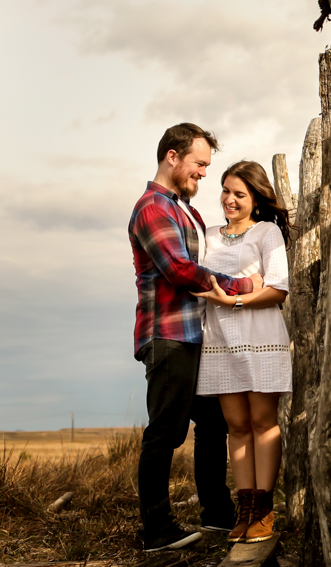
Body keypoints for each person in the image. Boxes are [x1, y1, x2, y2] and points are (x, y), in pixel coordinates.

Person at [128, 123, 263, 552]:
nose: (204, 174)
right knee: (166, 431)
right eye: (199, 164)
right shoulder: (152, 207)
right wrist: (244, 286)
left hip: (196, 335)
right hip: (167, 335)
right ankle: (157, 529)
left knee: (212, 422)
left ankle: (217, 514)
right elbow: (180, 271)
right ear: (173, 156)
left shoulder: (185, 209)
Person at [192, 160, 291, 544]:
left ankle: (264, 511)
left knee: (263, 423)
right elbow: (199, 280)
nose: (229, 200)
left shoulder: (266, 233)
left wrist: (234, 300)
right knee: (235, 426)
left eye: (239, 194)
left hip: (260, 335)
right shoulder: (209, 234)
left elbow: (278, 289)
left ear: (255, 199)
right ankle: (244, 506)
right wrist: (247, 284)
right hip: (219, 342)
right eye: (226, 191)